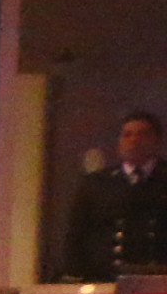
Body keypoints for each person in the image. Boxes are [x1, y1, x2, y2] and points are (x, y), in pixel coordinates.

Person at [61, 110, 166, 279]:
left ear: (157, 140)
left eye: (143, 134)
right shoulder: (96, 183)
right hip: (104, 279)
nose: (134, 140)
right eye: (127, 135)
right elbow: (76, 234)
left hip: (158, 280)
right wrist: (74, 275)